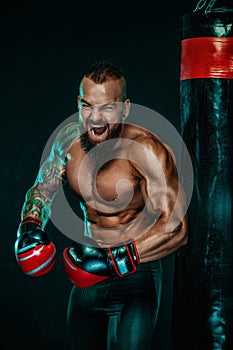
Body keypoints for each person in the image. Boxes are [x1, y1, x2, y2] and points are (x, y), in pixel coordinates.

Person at [15, 61, 188, 350]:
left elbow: (177, 228)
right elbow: (42, 190)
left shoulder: (147, 149)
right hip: (87, 276)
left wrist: (116, 258)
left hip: (136, 278)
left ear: (125, 108)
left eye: (107, 107)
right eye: (87, 106)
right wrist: (30, 225)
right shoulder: (66, 141)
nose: (95, 118)